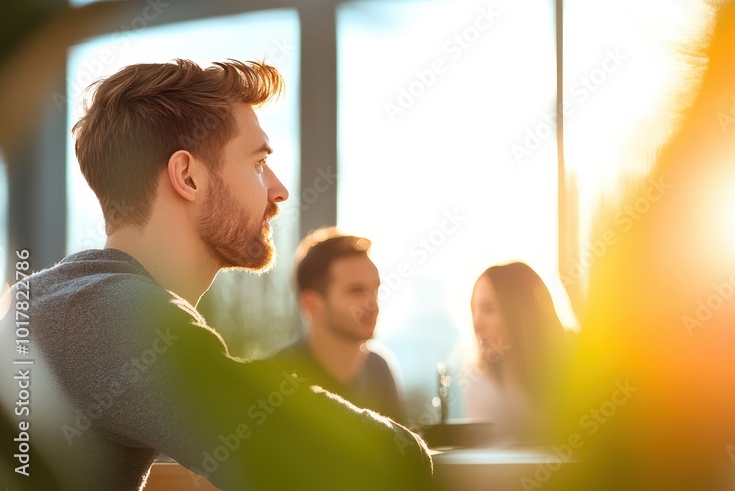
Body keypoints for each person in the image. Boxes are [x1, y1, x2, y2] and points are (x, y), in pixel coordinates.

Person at [0, 60, 432, 490]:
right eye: (259, 164)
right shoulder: (122, 317)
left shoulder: (38, 298)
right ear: (187, 176)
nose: (279, 191)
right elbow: (390, 460)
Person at [268, 228, 405, 422]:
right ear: (312, 303)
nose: (372, 305)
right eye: (356, 291)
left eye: (375, 290)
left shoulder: (379, 371)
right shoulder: (277, 382)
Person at [460, 261, 570, 444]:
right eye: (474, 309)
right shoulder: (477, 381)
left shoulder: (570, 376)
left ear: (520, 312)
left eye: (489, 309)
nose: (477, 323)